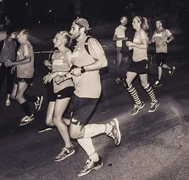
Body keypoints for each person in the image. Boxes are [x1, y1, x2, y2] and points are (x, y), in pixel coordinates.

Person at [56, 18, 121, 177]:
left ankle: (109, 128)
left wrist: (83, 69)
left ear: (82, 29)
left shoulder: (91, 42)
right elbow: (75, 69)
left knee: (74, 132)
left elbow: (103, 62)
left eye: (73, 28)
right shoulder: (77, 45)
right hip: (78, 92)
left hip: (90, 92)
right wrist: (63, 76)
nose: (71, 30)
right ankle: (95, 160)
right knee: (74, 129)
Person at [39, 31, 77, 162]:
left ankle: (69, 146)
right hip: (55, 88)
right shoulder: (55, 54)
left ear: (63, 41)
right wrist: (50, 71)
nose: (54, 40)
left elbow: (74, 70)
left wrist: (56, 74)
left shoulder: (67, 52)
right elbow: (55, 70)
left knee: (56, 119)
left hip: (66, 86)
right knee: (49, 121)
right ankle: (75, 123)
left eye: (56, 38)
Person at [5, 29, 43, 126]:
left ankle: (29, 115)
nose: (17, 37)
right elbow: (22, 58)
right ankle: (36, 99)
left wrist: (13, 63)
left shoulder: (26, 45)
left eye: (20, 35)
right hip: (20, 73)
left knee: (18, 96)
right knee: (14, 96)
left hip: (26, 74)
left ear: (25, 36)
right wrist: (15, 65)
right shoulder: (22, 45)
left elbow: (27, 58)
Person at [123, 16, 160, 115]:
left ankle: (155, 101)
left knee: (144, 84)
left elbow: (145, 46)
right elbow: (136, 47)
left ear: (139, 22)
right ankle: (139, 103)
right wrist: (130, 46)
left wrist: (133, 44)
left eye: (134, 22)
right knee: (127, 82)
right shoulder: (136, 32)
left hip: (142, 61)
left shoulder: (142, 32)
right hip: (134, 61)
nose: (132, 24)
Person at [0, 30, 17, 109]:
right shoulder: (2, 43)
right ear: (9, 34)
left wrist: (15, 63)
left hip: (11, 65)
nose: (15, 35)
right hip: (2, 65)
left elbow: (16, 54)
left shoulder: (15, 43)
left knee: (10, 82)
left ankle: (8, 98)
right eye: (14, 33)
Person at [151, 20, 175, 87]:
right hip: (157, 51)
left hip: (163, 51)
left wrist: (167, 41)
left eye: (158, 23)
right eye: (156, 24)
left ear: (161, 24)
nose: (156, 25)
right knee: (160, 65)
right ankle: (170, 68)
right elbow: (152, 40)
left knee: (159, 65)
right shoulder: (155, 32)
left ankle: (159, 80)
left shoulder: (165, 31)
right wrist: (152, 40)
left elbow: (172, 37)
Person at [113, 16, 130, 84]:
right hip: (119, 47)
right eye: (124, 20)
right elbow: (114, 38)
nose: (126, 21)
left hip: (125, 47)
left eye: (126, 20)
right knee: (119, 63)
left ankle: (125, 77)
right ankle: (118, 77)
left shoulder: (126, 28)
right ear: (121, 21)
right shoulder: (118, 28)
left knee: (125, 62)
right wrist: (123, 38)